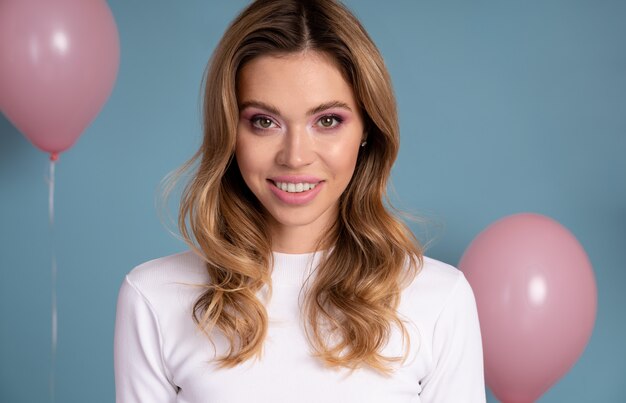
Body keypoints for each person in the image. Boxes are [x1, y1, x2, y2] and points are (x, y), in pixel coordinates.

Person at [114, 0, 486, 402]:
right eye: (263, 122)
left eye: (327, 121)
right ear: (229, 131)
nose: (294, 156)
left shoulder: (439, 299)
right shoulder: (154, 297)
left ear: (367, 129)